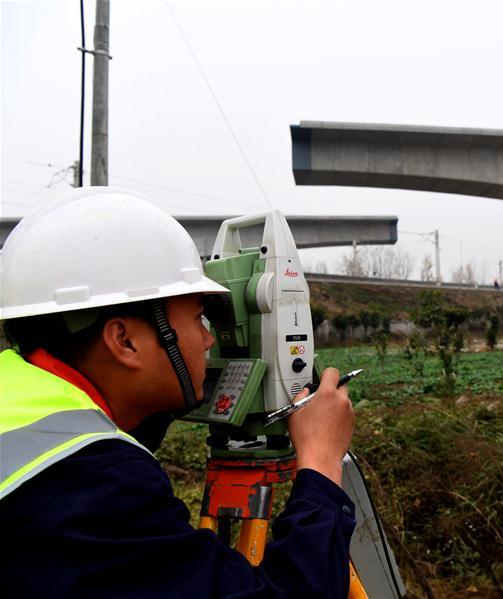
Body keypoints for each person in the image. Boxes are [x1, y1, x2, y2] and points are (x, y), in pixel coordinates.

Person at [0, 187, 356, 597]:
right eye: (198, 317)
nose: (208, 341)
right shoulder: (101, 487)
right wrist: (321, 463)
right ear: (125, 341)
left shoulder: (28, 415)